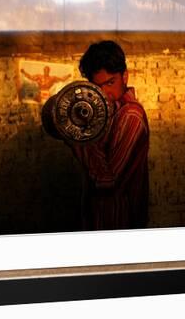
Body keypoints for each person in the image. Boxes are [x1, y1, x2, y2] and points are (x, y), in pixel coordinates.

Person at [68, 41, 150, 230]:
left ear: (125, 77)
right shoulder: (104, 114)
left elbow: (108, 182)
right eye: (97, 86)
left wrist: (75, 136)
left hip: (119, 224)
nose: (104, 93)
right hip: (98, 222)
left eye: (110, 82)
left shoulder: (131, 115)